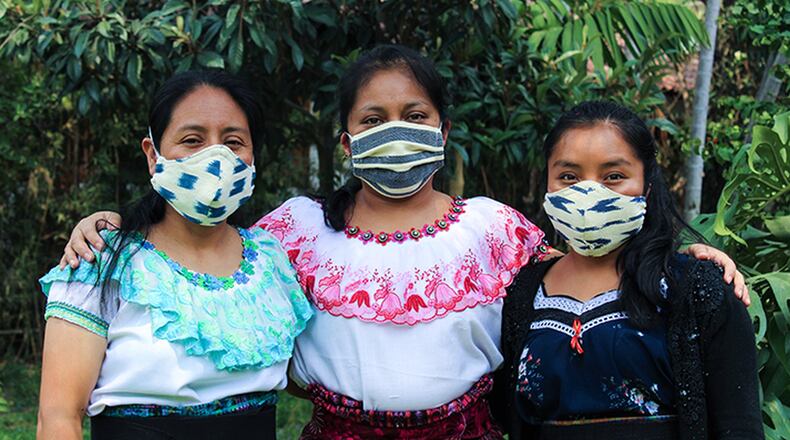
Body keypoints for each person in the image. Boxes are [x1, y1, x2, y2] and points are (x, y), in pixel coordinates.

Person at [57, 46, 748, 438]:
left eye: (415, 115)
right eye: (374, 118)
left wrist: (688, 258)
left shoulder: (494, 229)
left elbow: (586, 262)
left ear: (444, 132)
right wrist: (107, 224)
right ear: (346, 139)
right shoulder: (292, 233)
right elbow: (202, 250)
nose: (397, 129)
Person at [37, 71, 313, 440]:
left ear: (252, 156)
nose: (215, 157)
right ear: (153, 155)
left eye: (233, 141)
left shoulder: (272, 263)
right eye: (192, 140)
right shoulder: (100, 261)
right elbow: (58, 417)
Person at [495, 101, 762, 439]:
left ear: (647, 185)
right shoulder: (522, 294)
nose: (589, 193)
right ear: (546, 182)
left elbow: (739, 427)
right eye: (569, 177)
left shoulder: (695, 289)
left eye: (614, 177)